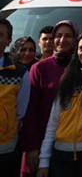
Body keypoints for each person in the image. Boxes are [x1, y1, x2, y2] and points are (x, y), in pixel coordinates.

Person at [37, 30, 82, 177]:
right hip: (61, 156)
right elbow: (53, 122)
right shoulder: (66, 80)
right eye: (81, 48)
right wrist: (44, 160)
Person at [21, 20, 78, 177]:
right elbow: (30, 110)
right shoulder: (40, 68)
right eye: (58, 35)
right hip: (40, 140)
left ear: (75, 39)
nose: (62, 40)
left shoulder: (80, 67)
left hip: (70, 144)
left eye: (68, 36)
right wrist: (32, 147)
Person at [0, 19, 30, 177]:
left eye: (0, 35)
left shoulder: (19, 73)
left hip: (5, 149)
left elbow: (20, 111)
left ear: (8, 40)